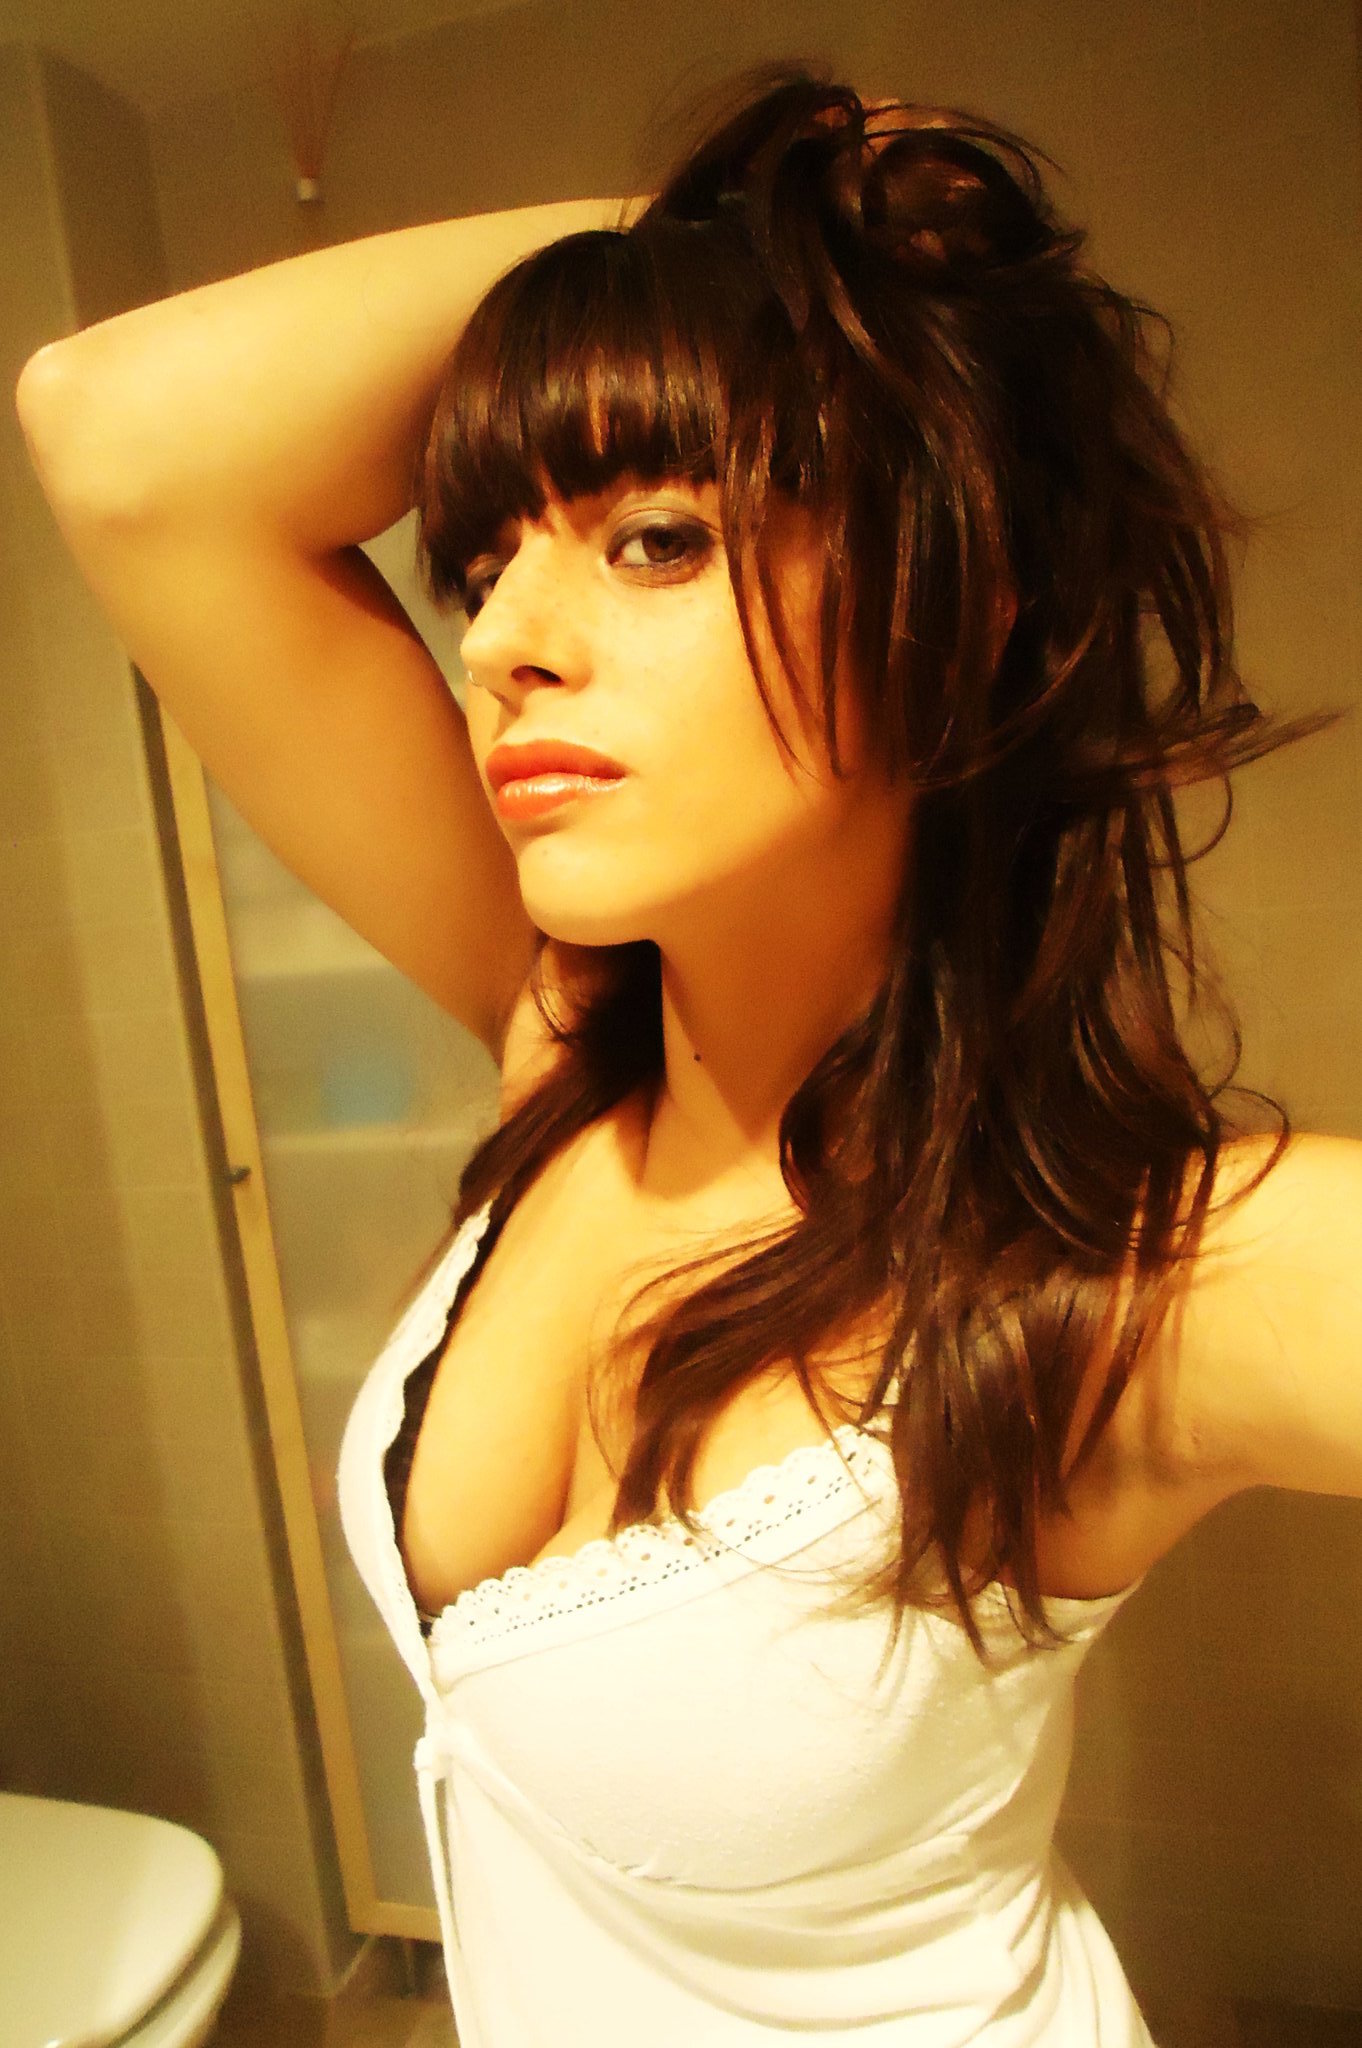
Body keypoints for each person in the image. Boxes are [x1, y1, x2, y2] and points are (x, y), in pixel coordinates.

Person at [17, 58, 1361, 2048]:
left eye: (653, 537)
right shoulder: (567, 1026)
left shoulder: (1139, 1279)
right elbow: (114, 430)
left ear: (960, 601)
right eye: (487, 561)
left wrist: (835, 283)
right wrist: (750, 239)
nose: (499, 643)